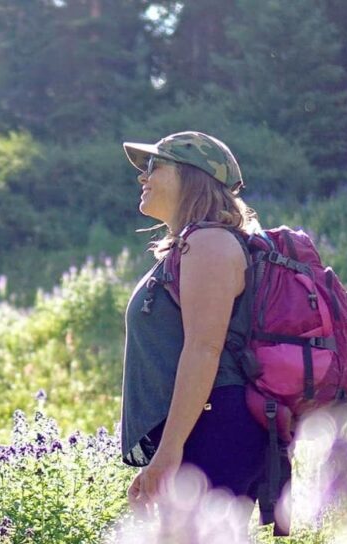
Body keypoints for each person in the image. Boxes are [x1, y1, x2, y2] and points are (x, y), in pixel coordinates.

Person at [118, 131, 268, 509]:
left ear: (191, 175)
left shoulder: (209, 244)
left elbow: (204, 349)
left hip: (215, 430)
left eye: (155, 166)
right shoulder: (194, 244)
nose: (143, 177)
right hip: (200, 430)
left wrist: (169, 452)